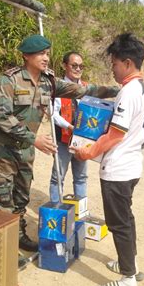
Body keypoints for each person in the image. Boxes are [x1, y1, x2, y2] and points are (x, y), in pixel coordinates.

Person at [0, 34, 119, 253]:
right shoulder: (8, 80)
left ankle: (18, 235)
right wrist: (35, 139)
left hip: (25, 153)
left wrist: (117, 91)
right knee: (3, 200)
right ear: (26, 56)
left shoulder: (48, 82)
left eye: (48, 54)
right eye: (41, 53)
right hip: (4, 153)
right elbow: (3, 119)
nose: (46, 58)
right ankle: (2, 249)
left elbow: (82, 90)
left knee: (21, 197)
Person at [71, 33, 144, 286]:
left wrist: (88, 151)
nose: (113, 69)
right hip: (132, 166)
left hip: (118, 170)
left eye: (114, 63)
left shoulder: (128, 92)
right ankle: (131, 263)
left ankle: (128, 281)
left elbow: (115, 134)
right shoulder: (143, 89)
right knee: (126, 219)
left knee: (118, 223)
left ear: (127, 63)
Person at [49, 51, 88, 202]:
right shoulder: (58, 87)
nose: (78, 69)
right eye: (74, 65)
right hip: (63, 140)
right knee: (58, 177)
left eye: (81, 66)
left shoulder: (86, 88)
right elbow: (52, 114)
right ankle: (56, 210)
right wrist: (69, 126)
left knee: (81, 178)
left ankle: (80, 212)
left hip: (82, 141)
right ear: (65, 66)